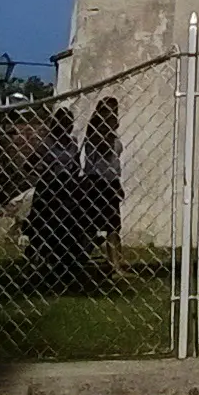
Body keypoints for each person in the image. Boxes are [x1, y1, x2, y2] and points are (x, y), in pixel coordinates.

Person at [23, 110, 88, 291]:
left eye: (68, 122)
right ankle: (41, 259)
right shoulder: (47, 144)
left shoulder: (73, 144)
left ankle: (66, 265)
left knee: (68, 227)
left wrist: (74, 176)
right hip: (49, 190)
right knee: (45, 226)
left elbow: (76, 166)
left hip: (67, 190)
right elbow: (28, 164)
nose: (66, 126)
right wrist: (45, 172)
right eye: (62, 122)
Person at [80, 97, 124, 279]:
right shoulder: (96, 133)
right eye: (110, 112)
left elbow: (113, 160)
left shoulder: (112, 134)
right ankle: (78, 259)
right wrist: (109, 127)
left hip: (110, 180)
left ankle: (116, 265)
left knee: (114, 226)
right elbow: (105, 149)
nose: (114, 116)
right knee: (91, 226)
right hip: (96, 181)